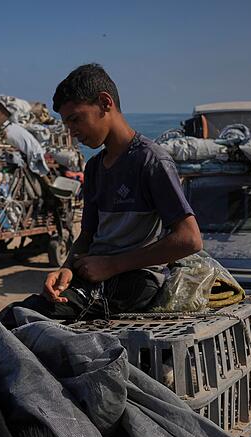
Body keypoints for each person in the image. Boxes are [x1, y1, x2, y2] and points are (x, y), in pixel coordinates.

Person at [14, 63, 202, 319]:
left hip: (134, 281)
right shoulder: (94, 168)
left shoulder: (151, 161)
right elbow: (87, 235)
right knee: (25, 314)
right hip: (96, 275)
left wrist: (112, 265)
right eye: (67, 124)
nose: (72, 132)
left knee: (23, 317)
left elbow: (189, 239)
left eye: (75, 119)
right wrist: (67, 268)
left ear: (105, 103)